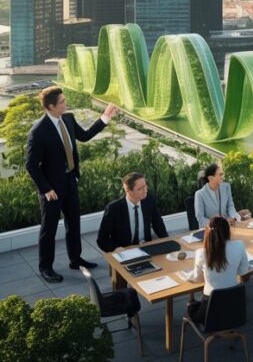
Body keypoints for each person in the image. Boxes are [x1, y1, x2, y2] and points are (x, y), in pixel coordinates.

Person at [25, 86, 118, 282]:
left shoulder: (68, 118)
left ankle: (75, 259)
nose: (66, 104)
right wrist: (46, 189)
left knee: (73, 222)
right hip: (51, 189)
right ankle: (46, 267)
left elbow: (84, 137)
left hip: (70, 181)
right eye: (62, 102)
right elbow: (31, 165)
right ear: (50, 106)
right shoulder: (39, 131)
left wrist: (105, 117)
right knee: (48, 229)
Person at [185, 216, 250, 324]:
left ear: (207, 234)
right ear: (228, 231)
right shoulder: (239, 245)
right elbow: (244, 274)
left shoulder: (202, 253)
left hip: (210, 309)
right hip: (234, 307)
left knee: (190, 307)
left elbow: (197, 279)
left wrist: (186, 276)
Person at [96, 172, 169, 253]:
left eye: (145, 186)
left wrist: (167, 241)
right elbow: (102, 239)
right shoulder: (113, 208)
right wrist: (115, 249)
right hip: (124, 250)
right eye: (140, 188)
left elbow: (158, 224)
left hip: (146, 247)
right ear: (128, 191)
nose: (145, 190)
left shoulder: (149, 200)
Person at [194, 163, 250, 228]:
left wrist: (236, 217)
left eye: (223, 174)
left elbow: (230, 206)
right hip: (210, 230)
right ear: (211, 178)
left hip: (227, 227)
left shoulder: (226, 187)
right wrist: (219, 224)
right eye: (220, 175)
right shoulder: (199, 194)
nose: (223, 177)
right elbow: (201, 219)